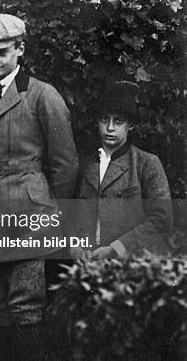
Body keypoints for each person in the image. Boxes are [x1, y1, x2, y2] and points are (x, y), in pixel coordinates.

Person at [0, 13, 79, 360]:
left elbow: (65, 164)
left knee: (26, 308)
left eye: (2, 52)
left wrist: (53, 217)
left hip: (29, 216)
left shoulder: (43, 96)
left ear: (21, 49)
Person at [70, 81, 172, 261]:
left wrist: (117, 248)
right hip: (89, 264)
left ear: (130, 125)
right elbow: (69, 211)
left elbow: (162, 219)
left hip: (133, 264)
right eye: (104, 119)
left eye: (118, 121)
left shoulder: (146, 163)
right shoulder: (86, 165)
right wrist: (75, 245)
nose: (110, 128)